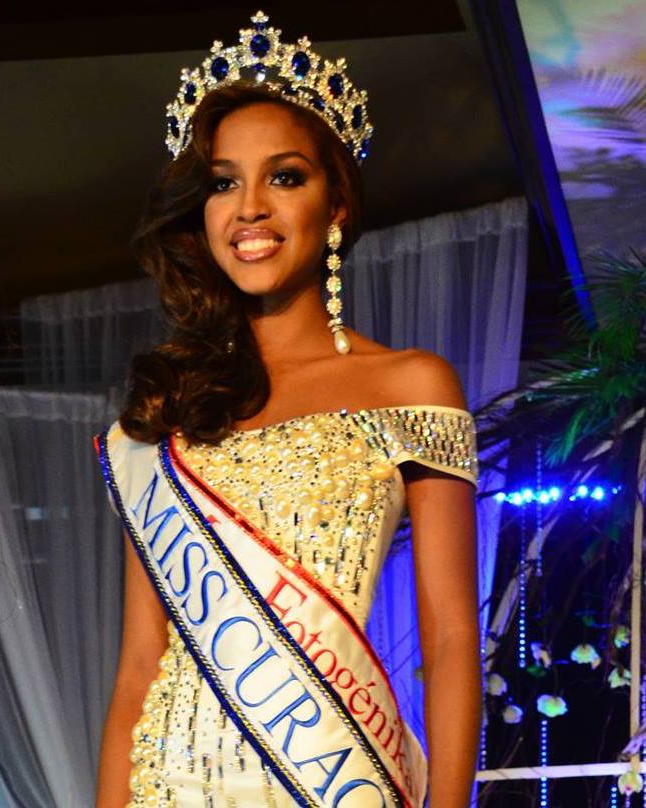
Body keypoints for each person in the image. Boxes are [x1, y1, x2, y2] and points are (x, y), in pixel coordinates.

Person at [93, 11, 481, 808]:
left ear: (335, 204)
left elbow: (448, 639)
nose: (249, 208)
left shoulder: (410, 385)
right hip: (169, 786)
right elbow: (138, 665)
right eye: (223, 183)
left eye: (285, 177)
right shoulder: (167, 408)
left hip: (332, 778)